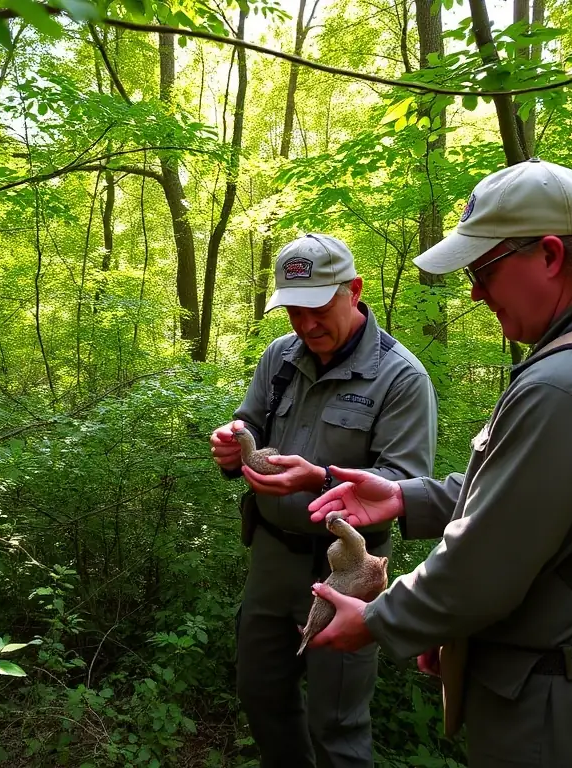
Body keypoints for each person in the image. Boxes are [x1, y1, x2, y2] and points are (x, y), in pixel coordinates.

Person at [305, 159, 572, 767]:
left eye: (484, 269)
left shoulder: (568, 384)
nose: (476, 291)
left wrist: (382, 619)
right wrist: (407, 497)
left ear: (552, 256)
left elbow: (485, 562)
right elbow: (541, 501)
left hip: (550, 715)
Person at [209, 233, 437, 767]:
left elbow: (405, 484)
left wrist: (317, 479)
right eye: (292, 310)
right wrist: (232, 442)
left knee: (336, 722)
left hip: (345, 573)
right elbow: (252, 422)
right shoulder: (281, 357)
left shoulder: (400, 377)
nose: (305, 325)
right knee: (261, 694)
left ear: (353, 291)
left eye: (317, 307)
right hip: (270, 559)